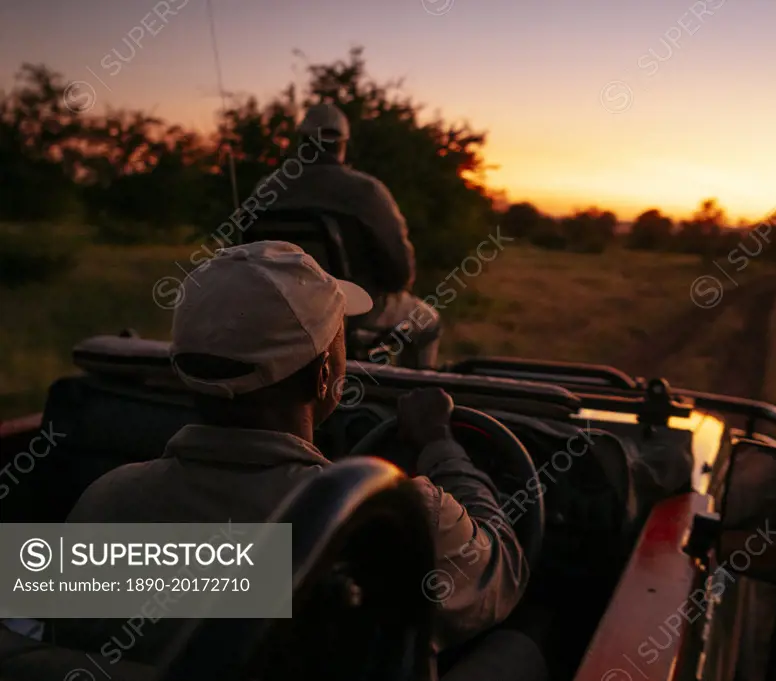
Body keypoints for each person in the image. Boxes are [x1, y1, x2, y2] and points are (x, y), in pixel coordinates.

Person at [60, 241, 528, 662]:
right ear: (325, 373)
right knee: (517, 650)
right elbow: (501, 572)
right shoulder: (396, 520)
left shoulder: (104, 502)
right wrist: (441, 445)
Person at [253, 102, 442, 367]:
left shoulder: (266, 189)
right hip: (352, 315)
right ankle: (414, 400)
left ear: (302, 142)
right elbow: (401, 274)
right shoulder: (367, 191)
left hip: (276, 314)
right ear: (342, 145)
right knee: (429, 321)